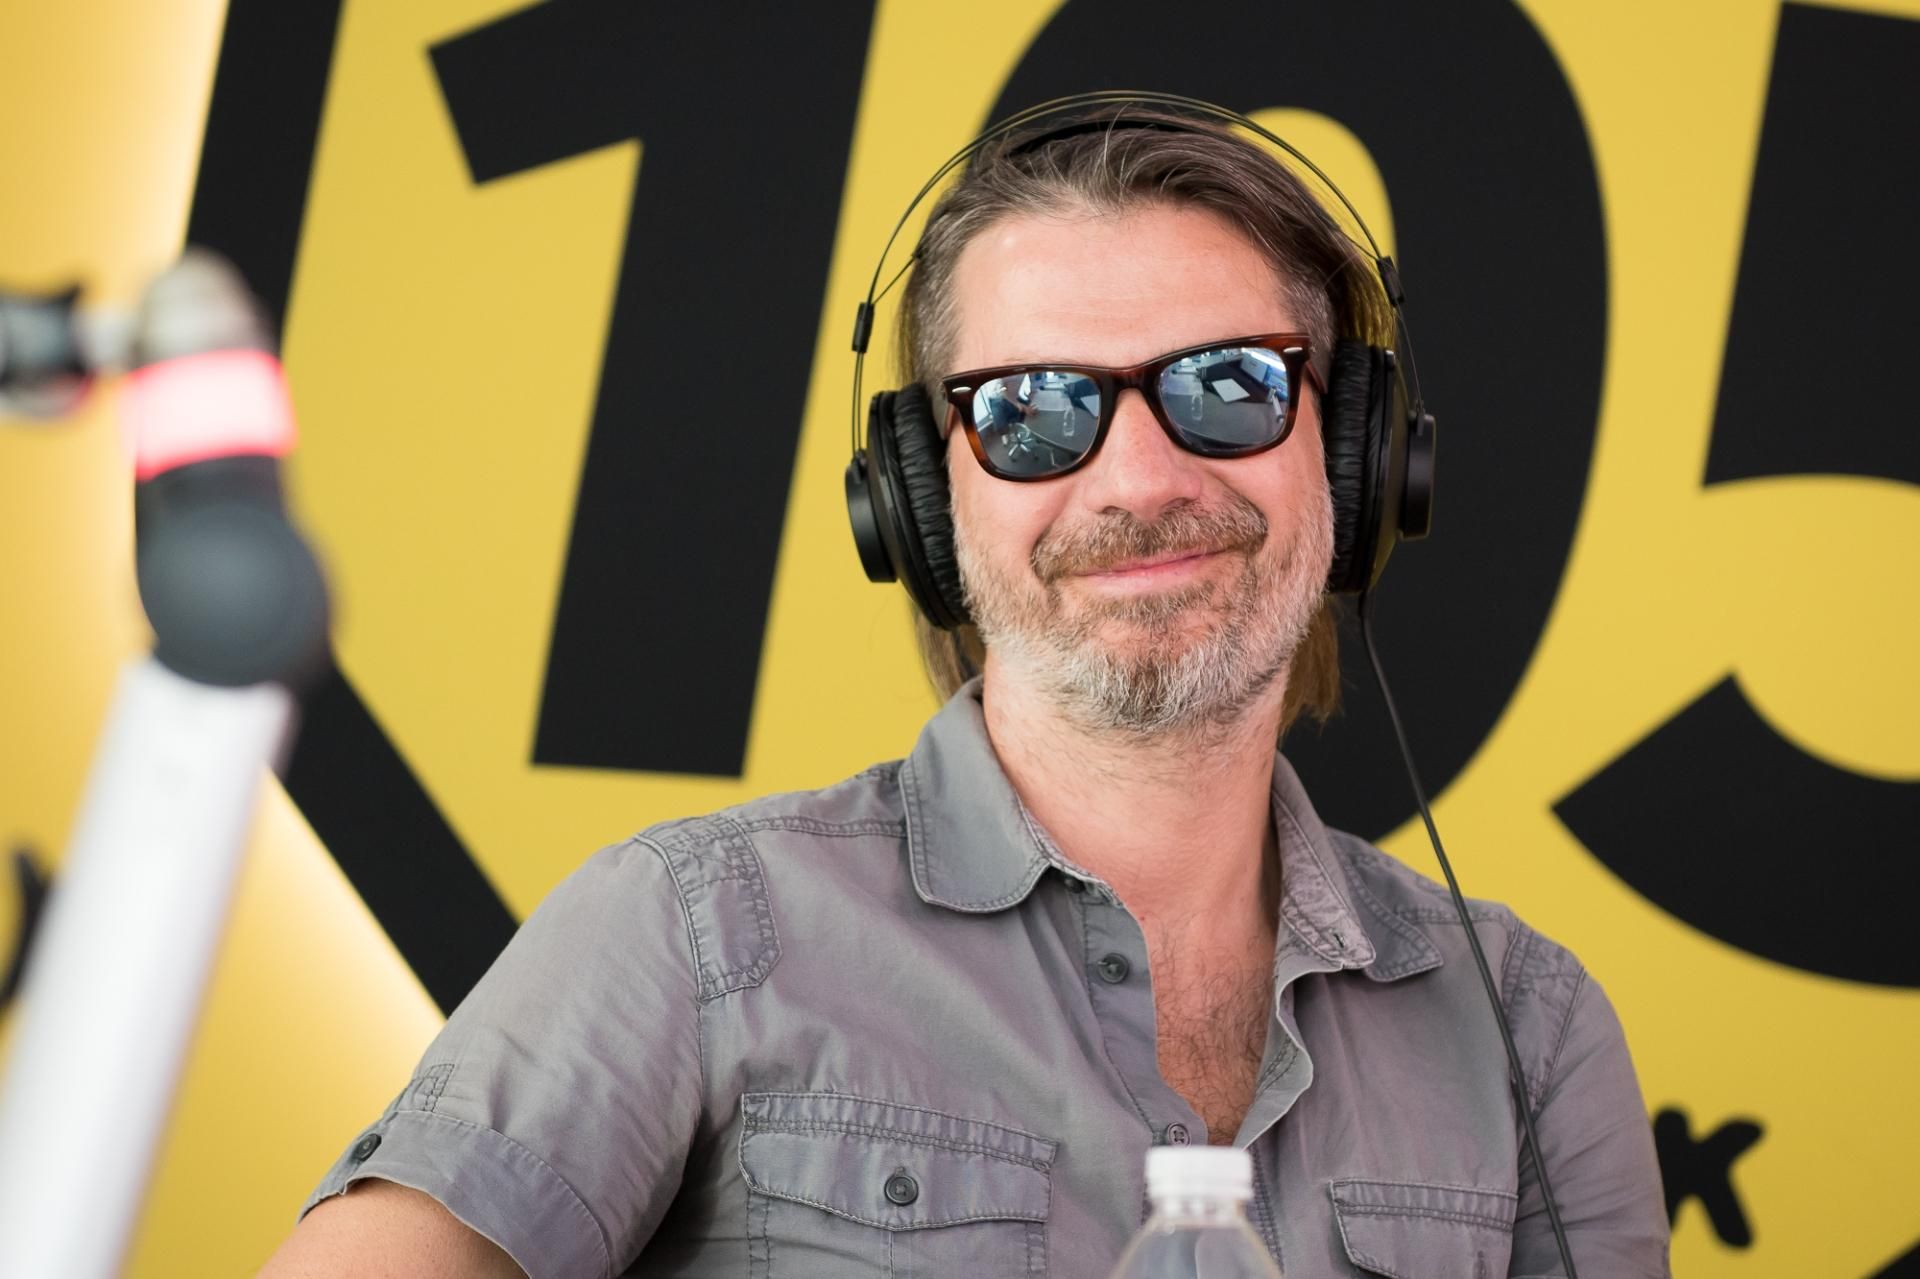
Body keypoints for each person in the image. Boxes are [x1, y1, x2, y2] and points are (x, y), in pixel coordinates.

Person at [260, 104, 1669, 1278]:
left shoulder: (1527, 1032)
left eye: (1229, 385)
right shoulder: (691, 932)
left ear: (1354, 453)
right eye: (1032, 411)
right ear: (920, 503)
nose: (1140, 481)